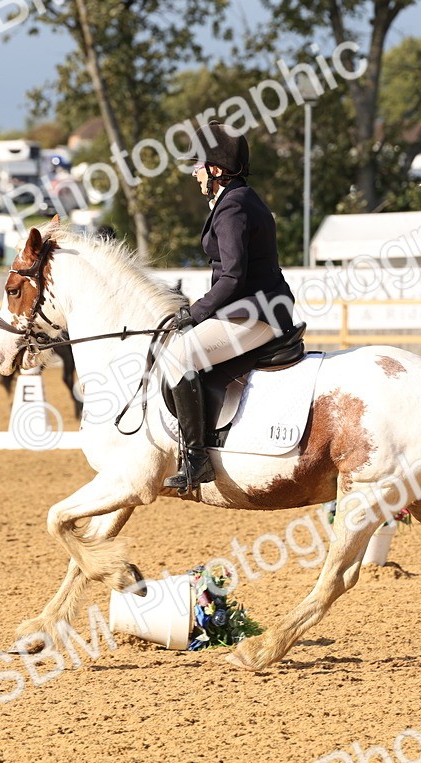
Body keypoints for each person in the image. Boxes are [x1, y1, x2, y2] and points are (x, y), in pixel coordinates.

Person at [161, 121, 298, 493]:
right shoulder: (237, 199)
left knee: (177, 357)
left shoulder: (234, 206)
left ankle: (196, 460)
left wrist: (195, 312)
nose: (194, 172)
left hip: (256, 313)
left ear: (215, 171)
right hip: (253, 308)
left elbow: (233, 277)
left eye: (198, 165)